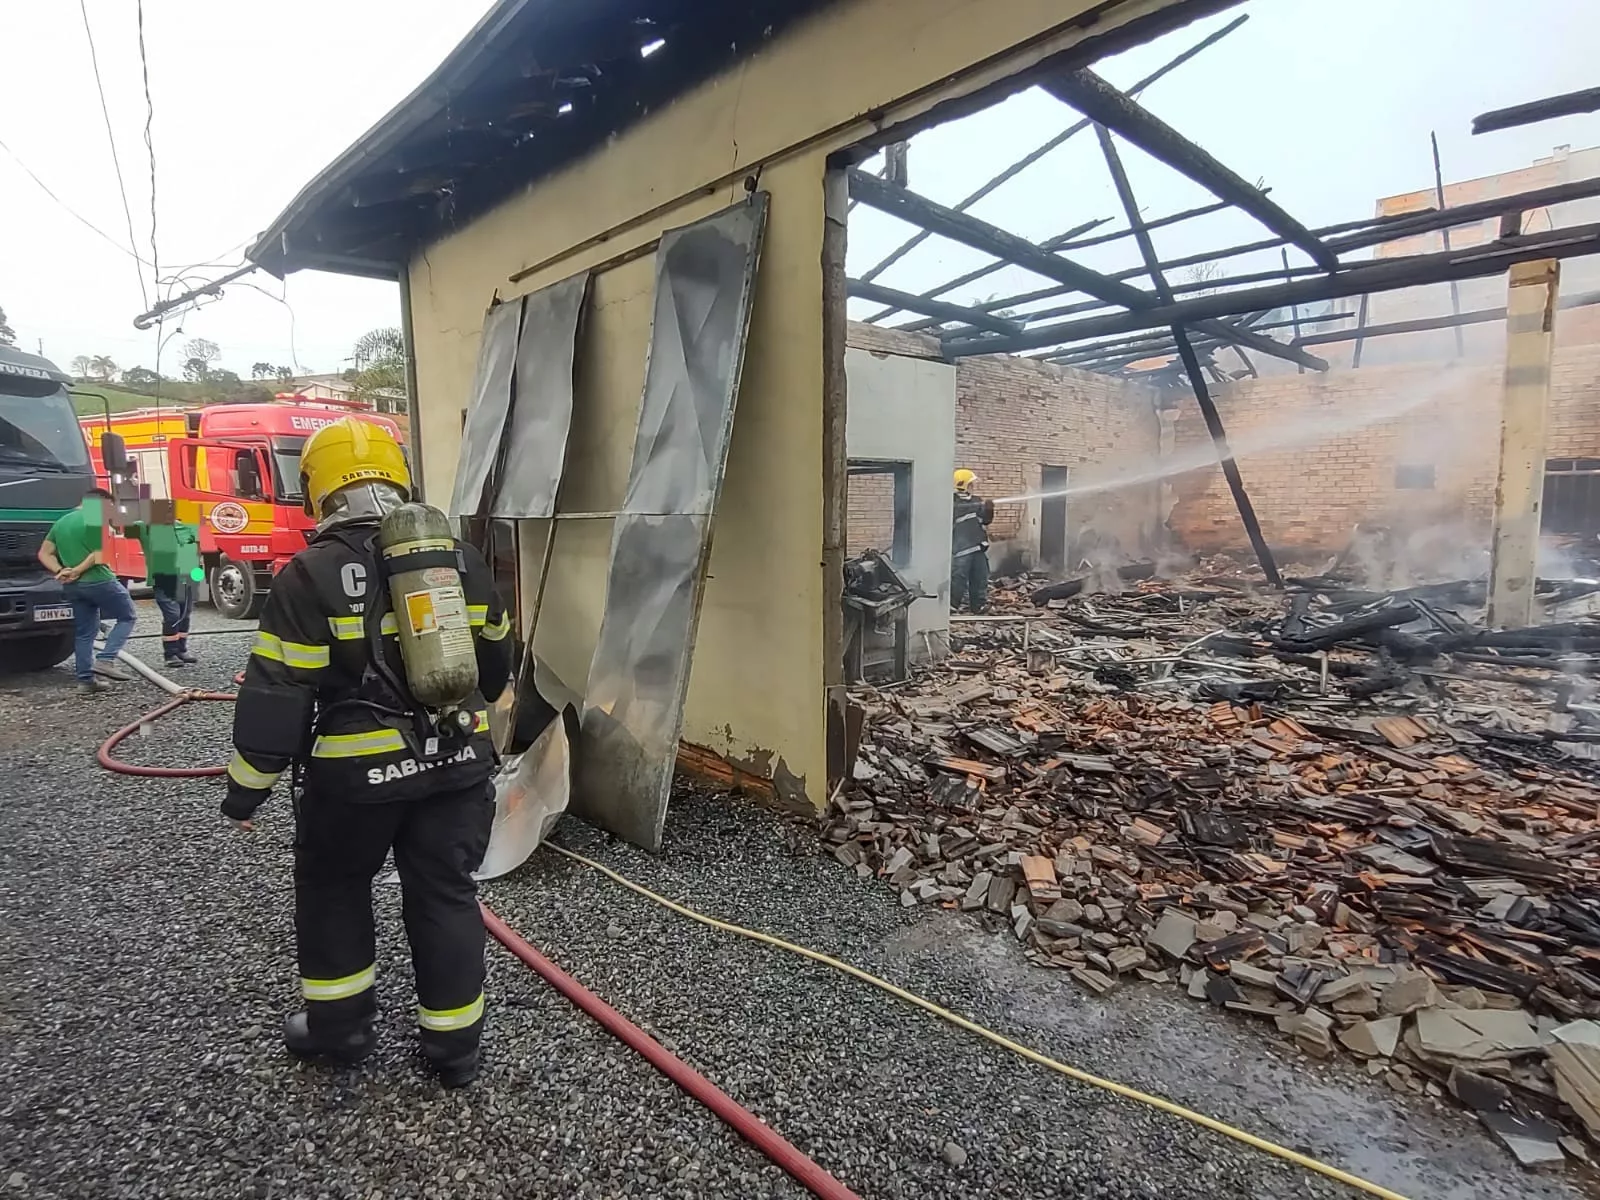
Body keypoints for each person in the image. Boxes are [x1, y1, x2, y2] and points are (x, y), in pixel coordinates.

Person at [220, 418, 512, 1088]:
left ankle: (342, 1032)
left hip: (355, 783)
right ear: (396, 476)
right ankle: (454, 1050)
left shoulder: (309, 574)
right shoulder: (455, 559)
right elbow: (494, 666)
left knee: (334, 891)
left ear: (316, 488)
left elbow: (277, 692)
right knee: (445, 895)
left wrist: (247, 789)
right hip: (456, 768)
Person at [37, 487, 136, 693]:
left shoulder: (61, 522)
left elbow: (44, 553)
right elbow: (99, 554)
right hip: (99, 580)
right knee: (127, 616)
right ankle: (106, 660)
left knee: (84, 633)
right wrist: (78, 570)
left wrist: (62, 570)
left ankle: (85, 681)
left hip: (73, 586)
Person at [127, 515, 201, 666]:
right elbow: (128, 528)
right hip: (163, 580)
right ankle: (170, 654)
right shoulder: (146, 528)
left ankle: (181, 649)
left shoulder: (185, 527)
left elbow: (196, 550)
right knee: (172, 615)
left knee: (184, 615)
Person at [951, 468, 995, 614]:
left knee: (981, 577)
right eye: (971, 484)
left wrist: (989, 509)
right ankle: (951, 606)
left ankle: (979, 605)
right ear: (963, 485)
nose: (973, 486)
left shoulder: (977, 501)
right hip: (961, 549)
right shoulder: (952, 502)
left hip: (978, 547)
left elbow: (985, 521)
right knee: (958, 579)